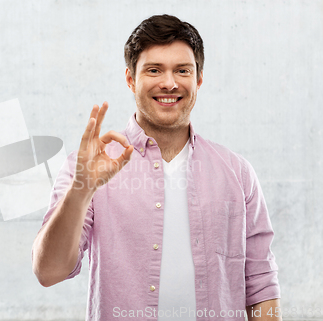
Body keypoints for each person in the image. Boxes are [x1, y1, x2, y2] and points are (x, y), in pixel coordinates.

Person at [31, 14, 281, 321]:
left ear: (198, 79)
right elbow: (49, 271)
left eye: (182, 70)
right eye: (154, 70)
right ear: (130, 79)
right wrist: (81, 190)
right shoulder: (86, 168)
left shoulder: (237, 173)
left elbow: (261, 284)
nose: (169, 83)